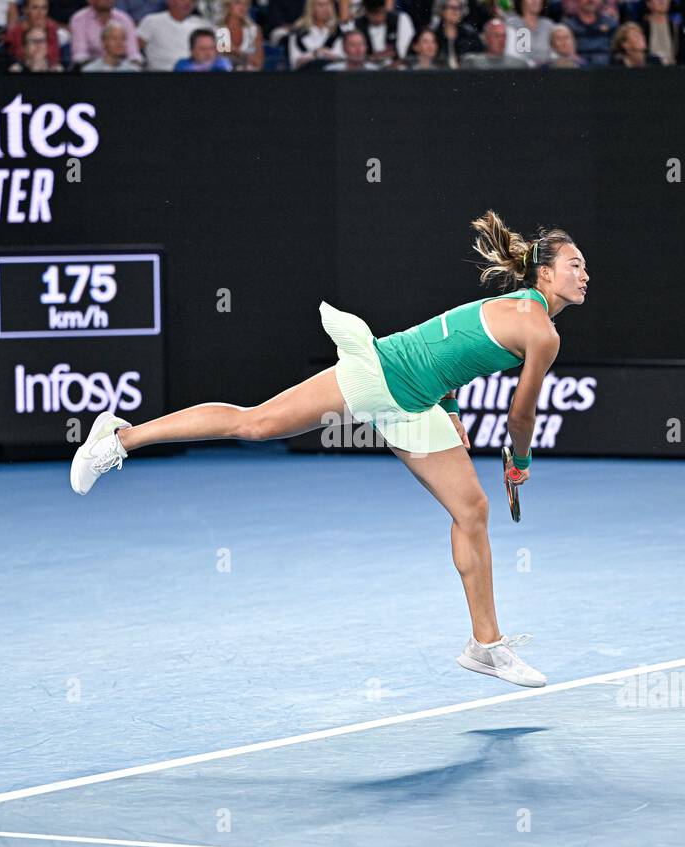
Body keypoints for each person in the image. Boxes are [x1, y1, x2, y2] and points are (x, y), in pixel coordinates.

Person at [70, 210, 589, 688]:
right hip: (380, 374)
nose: (584, 274)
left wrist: (450, 412)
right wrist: (518, 464)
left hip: (417, 404)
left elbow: (446, 347)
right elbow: (520, 415)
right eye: (574, 264)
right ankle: (118, 439)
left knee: (471, 509)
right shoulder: (540, 332)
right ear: (544, 274)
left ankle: (485, 645)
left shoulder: (509, 308)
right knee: (257, 424)